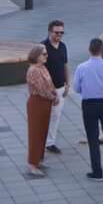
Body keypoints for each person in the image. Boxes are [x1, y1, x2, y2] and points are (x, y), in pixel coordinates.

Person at [73, 38, 103, 179]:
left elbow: (76, 88)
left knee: (92, 138)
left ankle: (97, 172)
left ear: (89, 50)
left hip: (89, 104)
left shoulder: (81, 67)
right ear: (102, 50)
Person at [24, 46, 56, 178]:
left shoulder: (43, 67)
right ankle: (32, 163)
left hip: (46, 102)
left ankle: (38, 160)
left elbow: (49, 83)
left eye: (46, 54)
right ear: (36, 55)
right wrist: (53, 97)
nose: (46, 56)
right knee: (35, 133)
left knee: (43, 131)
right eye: (44, 54)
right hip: (37, 102)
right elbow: (41, 89)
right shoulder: (33, 71)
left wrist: (54, 93)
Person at [41, 19, 70, 154]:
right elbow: (41, 70)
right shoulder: (43, 47)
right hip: (46, 89)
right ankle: (41, 141)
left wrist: (68, 83)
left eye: (62, 33)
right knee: (43, 116)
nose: (59, 35)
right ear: (49, 32)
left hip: (60, 87)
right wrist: (51, 90)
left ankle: (50, 142)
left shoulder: (63, 46)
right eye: (57, 33)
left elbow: (65, 64)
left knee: (56, 116)